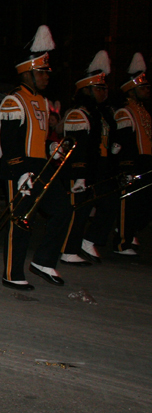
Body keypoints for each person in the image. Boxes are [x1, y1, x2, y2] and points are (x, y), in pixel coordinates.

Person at [0, 25, 72, 290]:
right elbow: (9, 143)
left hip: (41, 165)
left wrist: (50, 148)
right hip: (19, 168)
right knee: (21, 222)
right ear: (27, 73)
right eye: (41, 71)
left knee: (63, 209)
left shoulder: (41, 100)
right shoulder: (13, 101)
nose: (46, 76)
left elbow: (37, 135)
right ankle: (12, 272)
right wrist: (20, 173)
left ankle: (43, 260)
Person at [60, 51, 115, 265]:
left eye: (104, 88)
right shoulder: (77, 114)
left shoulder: (99, 114)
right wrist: (81, 173)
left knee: (104, 206)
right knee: (77, 211)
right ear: (87, 90)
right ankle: (68, 249)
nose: (103, 92)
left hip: (97, 167)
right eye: (98, 88)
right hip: (78, 170)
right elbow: (77, 148)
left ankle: (83, 242)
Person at [112, 53, 151, 255]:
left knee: (144, 203)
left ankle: (130, 230)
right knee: (129, 202)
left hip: (146, 161)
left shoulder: (144, 112)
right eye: (142, 88)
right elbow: (124, 142)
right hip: (133, 162)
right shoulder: (125, 112)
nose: (147, 91)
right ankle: (123, 241)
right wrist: (126, 167)